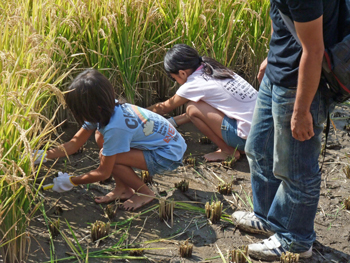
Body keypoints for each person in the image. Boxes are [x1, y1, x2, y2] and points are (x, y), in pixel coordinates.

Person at [232, 0, 340, 261]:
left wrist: (302, 111)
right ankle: (269, 218)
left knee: (296, 167)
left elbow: (314, 50)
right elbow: (283, 21)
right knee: (258, 148)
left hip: (298, 84)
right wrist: (271, 58)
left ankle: (295, 240)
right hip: (278, 73)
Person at [34, 69, 187, 211]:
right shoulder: (107, 108)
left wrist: (72, 181)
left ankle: (145, 193)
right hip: (168, 142)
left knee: (107, 157)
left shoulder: (116, 128)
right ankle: (123, 190)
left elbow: (103, 173)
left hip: (169, 154)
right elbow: (74, 144)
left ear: (93, 109)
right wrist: (41, 155)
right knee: (101, 139)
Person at [148, 44, 257, 162]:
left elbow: (163, 108)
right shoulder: (214, 68)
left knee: (192, 108)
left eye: (175, 78)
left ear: (182, 73)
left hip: (250, 141)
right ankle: (236, 145)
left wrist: (134, 112)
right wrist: (171, 122)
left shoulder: (193, 84)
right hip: (263, 136)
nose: (177, 82)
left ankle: (229, 151)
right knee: (197, 106)